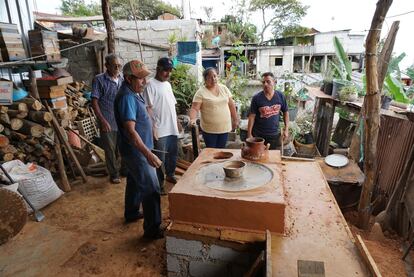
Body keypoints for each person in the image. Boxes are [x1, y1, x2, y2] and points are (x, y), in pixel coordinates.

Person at [114, 59, 164, 239]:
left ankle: (132, 212)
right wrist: (148, 154)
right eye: (140, 79)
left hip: (135, 150)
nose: (144, 82)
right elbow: (130, 131)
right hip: (136, 151)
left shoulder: (134, 92)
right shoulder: (127, 96)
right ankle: (152, 229)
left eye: (145, 78)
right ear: (128, 78)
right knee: (152, 188)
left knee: (135, 182)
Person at [143, 57, 179, 194]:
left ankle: (170, 175)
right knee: (160, 159)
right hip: (160, 129)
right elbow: (148, 109)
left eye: (170, 71)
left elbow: (172, 106)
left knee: (172, 155)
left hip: (172, 128)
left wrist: (177, 122)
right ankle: (160, 184)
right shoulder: (150, 85)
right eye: (166, 70)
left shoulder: (168, 85)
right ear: (158, 69)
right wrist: (153, 128)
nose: (168, 73)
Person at [91, 54, 124, 184]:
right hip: (107, 121)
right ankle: (114, 174)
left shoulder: (122, 79)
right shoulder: (99, 80)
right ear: (107, 66)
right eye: (114, 65)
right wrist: (102, 121)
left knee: (122, 148)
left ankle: (123, 170)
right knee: (110, 149)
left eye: (119, 65)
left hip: (122, 121)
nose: (117, 67)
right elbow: (94, 101)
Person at [189, 67, 238, 148]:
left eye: (215, 76)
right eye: (210, 77)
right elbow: (194, 108)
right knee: (211, 152)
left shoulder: (224, 88)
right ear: (205, 79)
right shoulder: (201, 92)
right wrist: (192, 119)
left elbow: (231, 105)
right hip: (209, 130)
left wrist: (235, 119)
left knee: (221, 152)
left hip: (224, 128)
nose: (213, 79)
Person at [247, 72, 289, 149]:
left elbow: (286, 112)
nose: (265, 84)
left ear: (274, 82)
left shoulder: (280, 96)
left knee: (270, 156)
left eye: (268, 81)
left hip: (274, 135)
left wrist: (286, 129)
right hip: (258, 135)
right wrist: (249, 134)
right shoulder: (256, 98)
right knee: (258, 155)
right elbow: (252, 116)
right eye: (263, 82)